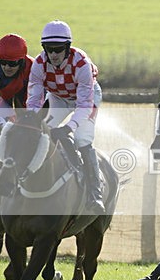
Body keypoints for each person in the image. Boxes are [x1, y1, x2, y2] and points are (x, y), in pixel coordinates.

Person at [26, 20, 105, 215]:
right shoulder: (38, 64)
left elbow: (84, 105)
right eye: (48, 49)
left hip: (86, 99)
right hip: (59, 98)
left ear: (68, 47)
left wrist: (69, 127)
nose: (53, 54)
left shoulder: (81, 64)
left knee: (82, 139)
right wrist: (32, 122)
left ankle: (95, 193)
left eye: (58, 49)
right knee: (39, 133)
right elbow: (34, 100)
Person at [0, 33, 32, 126]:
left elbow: (36, 100)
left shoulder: (32, 68)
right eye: (3, 62)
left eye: (12, 63)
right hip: (3, 96)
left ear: (22, 61)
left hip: (26, 93)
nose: (7, 67)